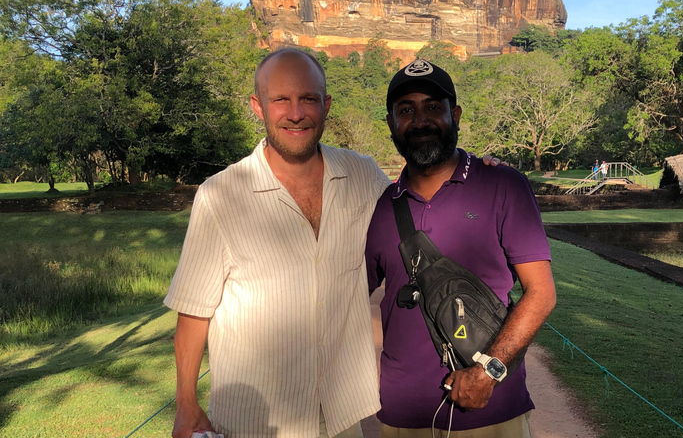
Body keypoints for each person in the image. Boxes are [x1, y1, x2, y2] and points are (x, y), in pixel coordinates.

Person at [164, 48, 391, 438]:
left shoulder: (363, 175)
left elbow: (421, 208)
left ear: (326, 105)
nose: (296, 112)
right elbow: (193, 313)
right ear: (258, 106)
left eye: (308, 99)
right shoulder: (220, 195)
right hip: (256, 420)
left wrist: (473, 172)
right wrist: (186, 405)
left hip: (341, 413)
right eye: (280, 99)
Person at [365, 60, 557, 438]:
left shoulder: (502, 185)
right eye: (406, 111)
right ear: (391, 124)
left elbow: (542, 293)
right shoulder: (383, 204)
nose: (420, 120)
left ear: (455, 115)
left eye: (433, 108)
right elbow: (347, 292)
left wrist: (489, 371)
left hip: (490, 408)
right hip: (402, 411)